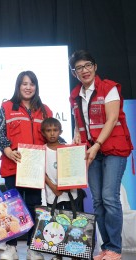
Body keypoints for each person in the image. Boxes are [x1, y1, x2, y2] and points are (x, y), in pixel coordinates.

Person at [69, 50, 133, 260]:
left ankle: (115, 248)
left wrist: (96, 144)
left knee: (109, 197)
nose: (84, 70)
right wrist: (77, 138)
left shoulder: (109, 88)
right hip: (91, 151)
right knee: (97, 201)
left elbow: (112, 118)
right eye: (79, 68)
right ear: (74, 73)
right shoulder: (75, 94)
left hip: (113, 148)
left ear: (95, 67)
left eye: (88, 65)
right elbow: (80, 125)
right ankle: (106, 248)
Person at [0, 71, 52, 260]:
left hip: (35, 168)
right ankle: (11, 248)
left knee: (34, 205)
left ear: (36, 87)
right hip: (13, 165)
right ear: (18, 86)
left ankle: (32, 248)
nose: (28, 87)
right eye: (24, 84)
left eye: (32, 84)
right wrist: (7, 150)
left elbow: (52, 136)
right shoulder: (6, 107)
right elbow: (0, 134)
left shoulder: (45, 110)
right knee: (12, 207)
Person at [41, 117, 78, 260]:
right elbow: (41, 171)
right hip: (52, 193)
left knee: (72, 222)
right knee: (56, 224)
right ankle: (58, 253)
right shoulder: (42, 150)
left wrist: (67, 184)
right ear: (43, 133)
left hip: (70, 194)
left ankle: (75, 252)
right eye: (48, 131)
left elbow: (74, 169)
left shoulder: (68, 149)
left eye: (55, 130)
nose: (52, 134)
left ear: (60, 131)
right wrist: (52, 186)